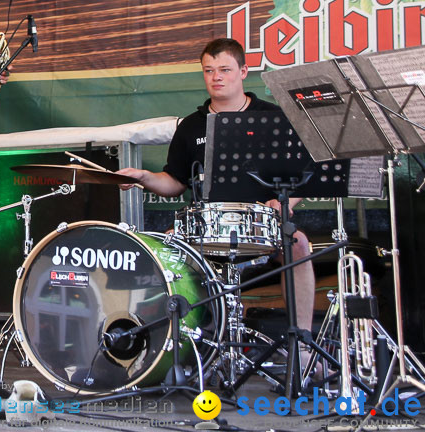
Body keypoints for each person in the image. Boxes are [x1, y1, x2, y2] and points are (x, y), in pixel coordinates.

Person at [117, 38, 316, 352]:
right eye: (208, 70)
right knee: (168, 244)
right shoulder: (192, 126)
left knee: (300, 244)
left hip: (261, 224)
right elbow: (174, 182)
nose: (216, 77)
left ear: (243, 71)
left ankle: (302, 345)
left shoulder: (273, 118)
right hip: (207, 227)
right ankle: (178, 348)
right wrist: (144, 177)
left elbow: (302, 174)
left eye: (224, 69)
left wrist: (284, 202)